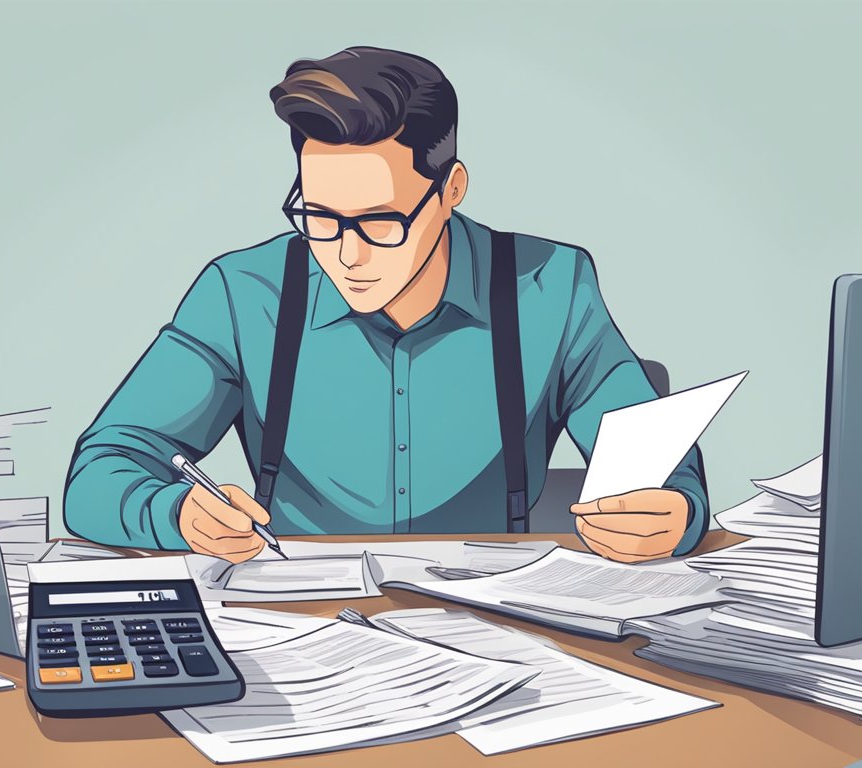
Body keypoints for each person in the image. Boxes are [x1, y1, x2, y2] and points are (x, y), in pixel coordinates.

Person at [66, 46, 708, 565]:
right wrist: (177, 514)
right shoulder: (244, 293)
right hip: (301, 625)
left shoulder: (551, 284)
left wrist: (674, 511)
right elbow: (100, 471)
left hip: (501, 628)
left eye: (380, 221)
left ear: (450, 188)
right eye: (318, 215)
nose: (347, 253)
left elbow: (660, 465)